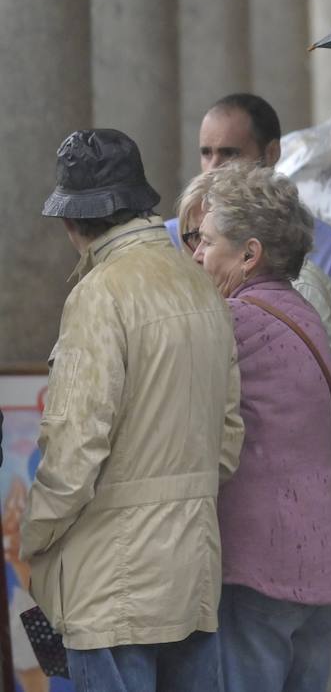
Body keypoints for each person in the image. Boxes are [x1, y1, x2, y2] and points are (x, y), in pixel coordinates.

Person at [21, 129, 243, 691]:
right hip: (191, 570)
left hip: (109, 582)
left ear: (73, 224)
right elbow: (228, 434)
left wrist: (35, 535)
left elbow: (75, 448)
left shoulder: (99, 295)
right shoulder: (199, 285)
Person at [175, 172, 331, 692]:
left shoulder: (229, 323)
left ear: (249, 254)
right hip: (325, 560)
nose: (197, 255)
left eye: (206, 241)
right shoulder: (307, 314)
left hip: (259, 565)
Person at [171, 93, 331, 356]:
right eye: (206, 153)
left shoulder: (330, 247)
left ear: (271, 153)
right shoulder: (172, 236)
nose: (213, 168)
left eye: (229, 153)